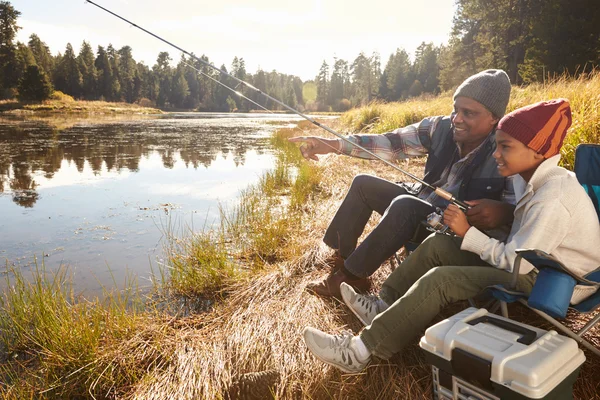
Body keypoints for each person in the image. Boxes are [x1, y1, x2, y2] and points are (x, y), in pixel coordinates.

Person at [302, 99, 600, 373]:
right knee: (438, 244)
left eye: (505, 147)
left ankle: (359, 352)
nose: (496, 153)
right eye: (497, 145)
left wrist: (468, 232)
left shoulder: (552, 199)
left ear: (537, 151)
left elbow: (516, 264)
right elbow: (520, 243)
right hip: (532, 261)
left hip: (556, 279)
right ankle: (384, 304)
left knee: (441, 280)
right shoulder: (536, 178)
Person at [290, 69, 515, 299]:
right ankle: (344, 259)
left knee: (405, 205)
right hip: (421, 205)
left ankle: (350, 277)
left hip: (450, 232)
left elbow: (523, 212)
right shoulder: (439, 127)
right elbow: (389, 142)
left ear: (494, 118)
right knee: (363, 184)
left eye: (469, 113)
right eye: (455, 109)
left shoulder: (508, 149)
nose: (457, 119)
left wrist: (505, 212)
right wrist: (331, 145)